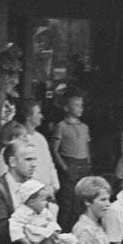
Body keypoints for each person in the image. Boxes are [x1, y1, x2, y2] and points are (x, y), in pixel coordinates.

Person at [50, 89, 91, 232]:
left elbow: (86, 146)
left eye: (81, 105)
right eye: (76, 105)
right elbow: (55, 150)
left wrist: (89, 163)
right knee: (67, 202)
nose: (81, 108)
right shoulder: (61, 126)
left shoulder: (84, 127)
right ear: (67, 108)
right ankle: (64, 233)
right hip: (69, 164)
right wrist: (65, 168)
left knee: (80, 202)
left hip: (83, 164)